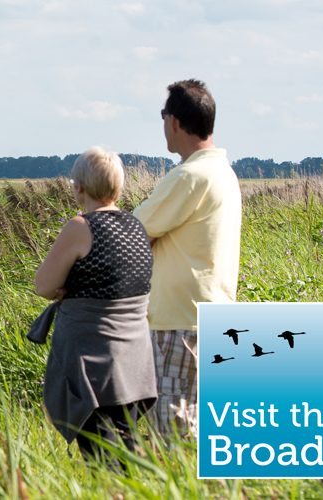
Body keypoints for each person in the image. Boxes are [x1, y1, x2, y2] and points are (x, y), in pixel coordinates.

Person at [32, 146, 157, 460]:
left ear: (80, 187)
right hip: (135, 363)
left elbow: (43, 286)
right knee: (124, 448)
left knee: (103, 457)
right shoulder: (136, 227)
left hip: (93, 364)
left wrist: (68, 285)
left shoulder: (80, 227)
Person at [132, 79, 241, 438]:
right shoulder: (223, 173)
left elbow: (132, 233)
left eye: (163, 116)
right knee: (200, 431)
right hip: (212, 317)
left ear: (174, 121)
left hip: (179, 323)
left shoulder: (189, 176)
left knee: (173, 434)